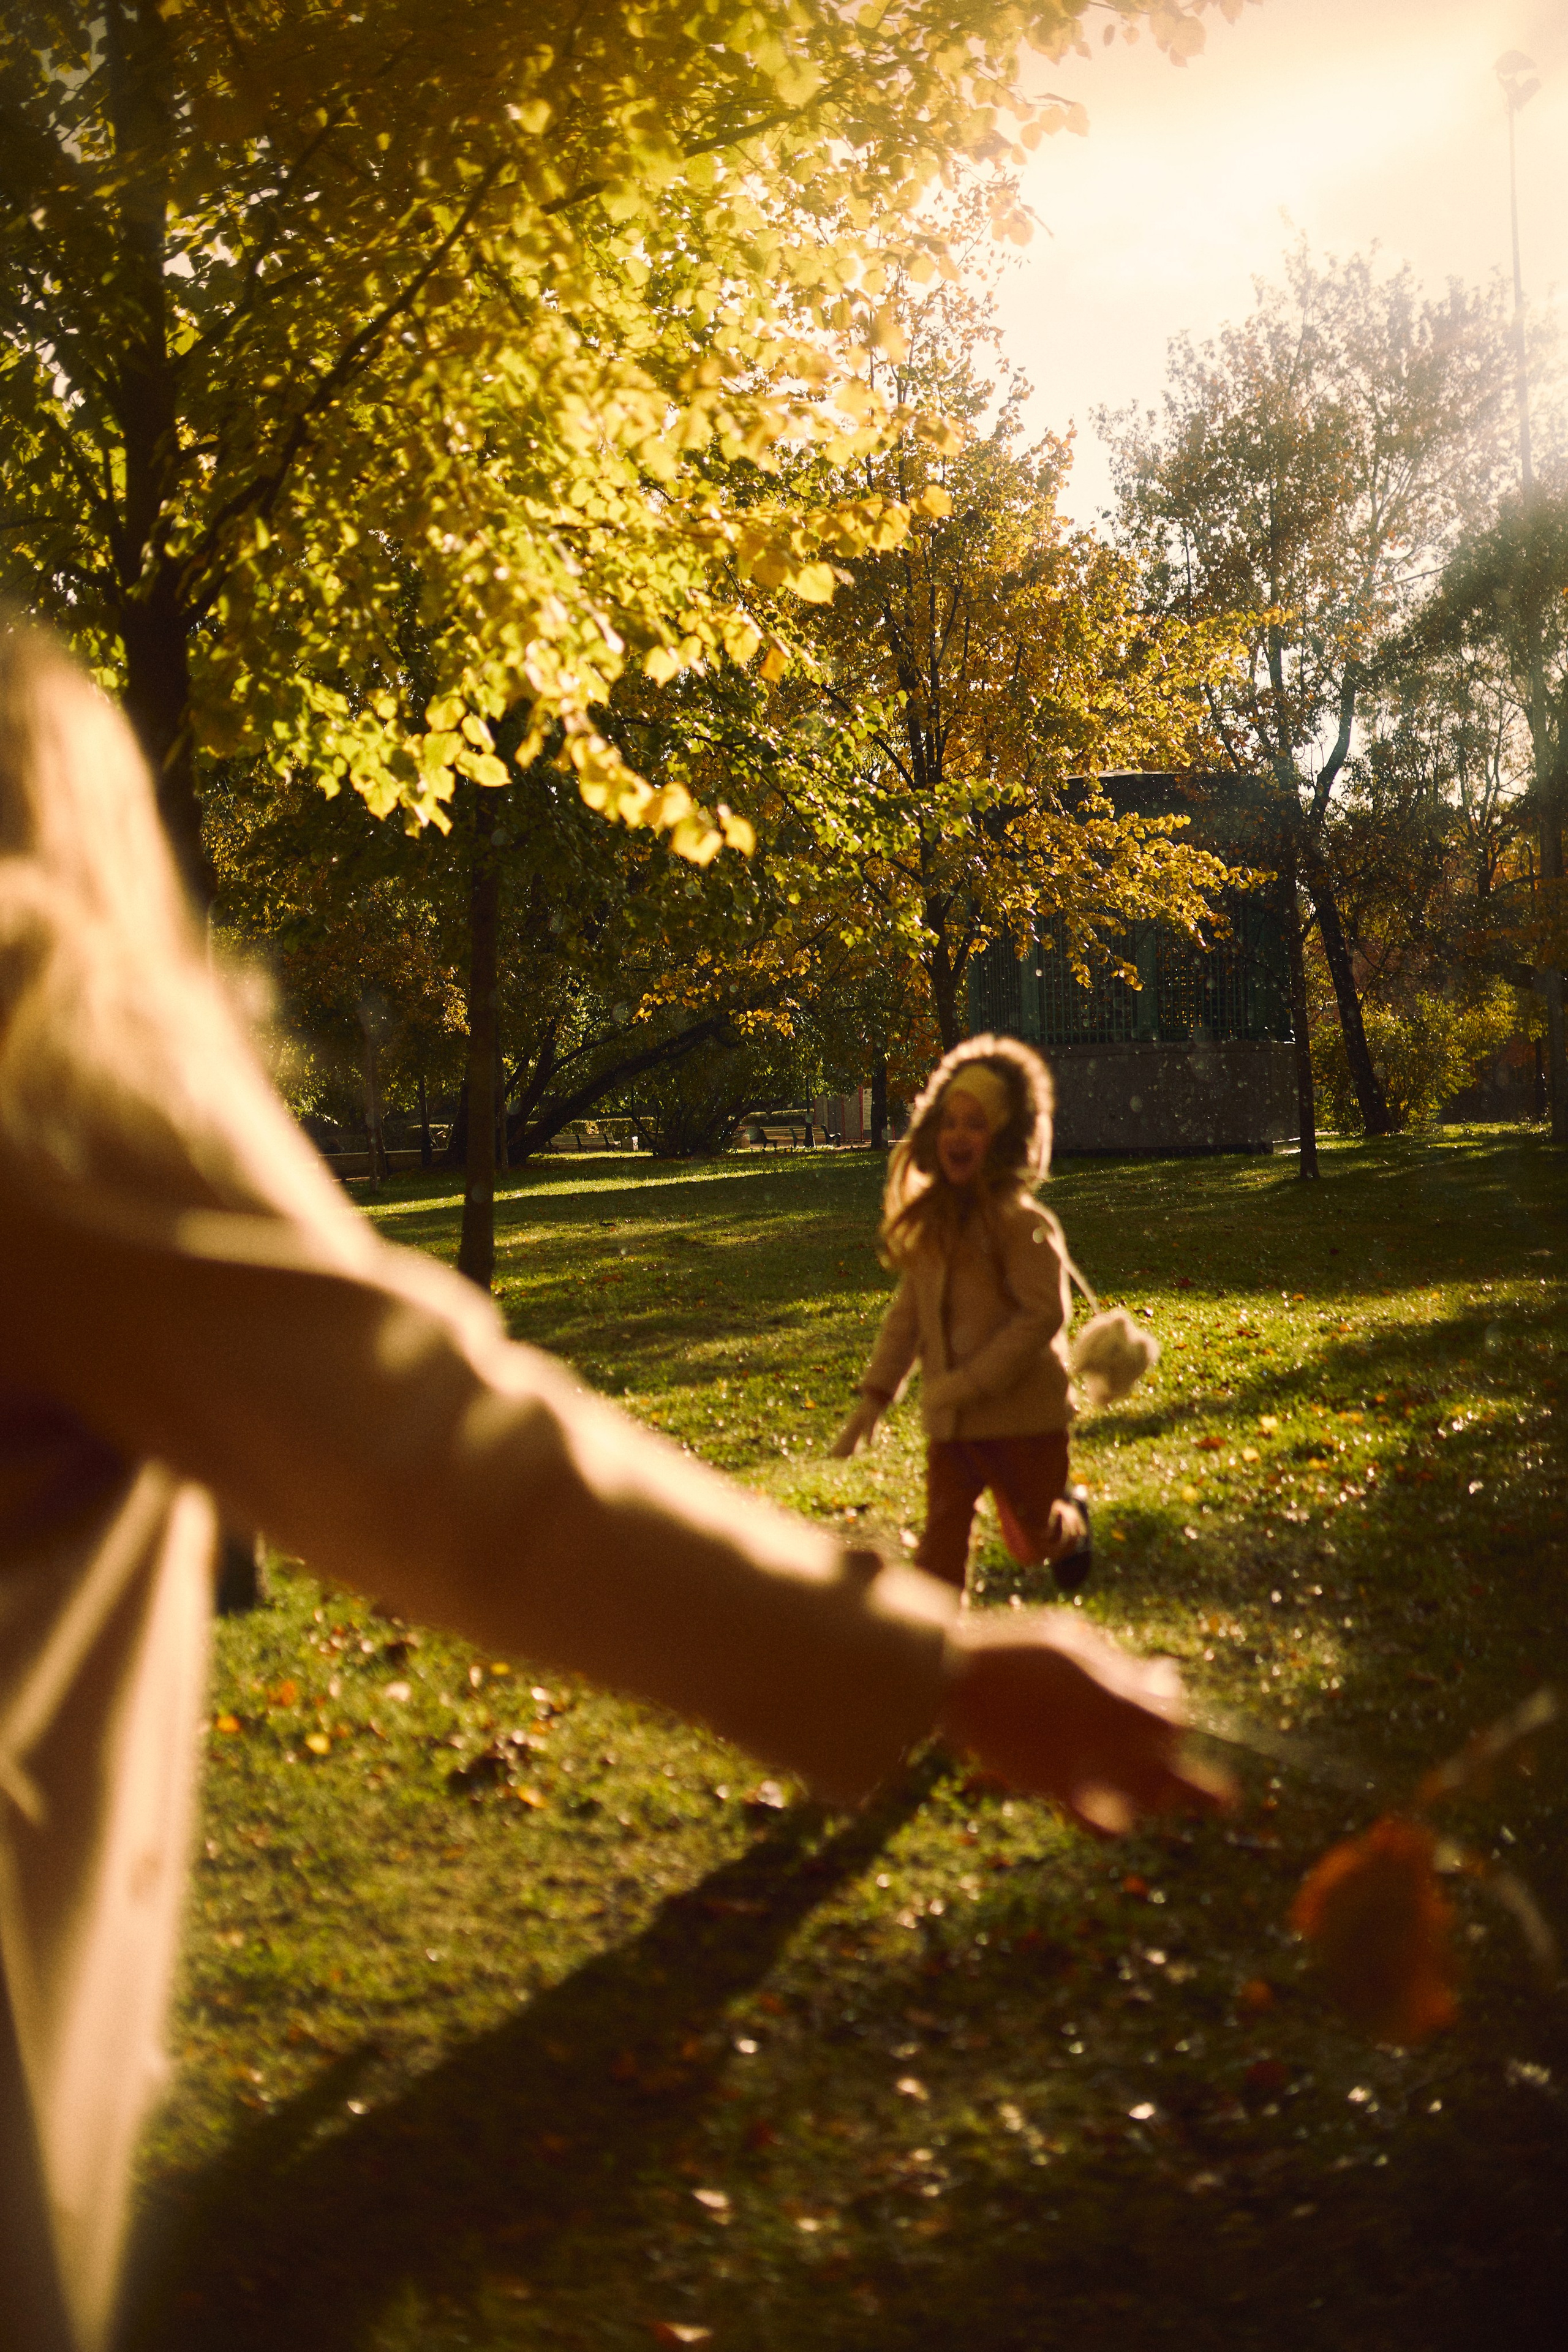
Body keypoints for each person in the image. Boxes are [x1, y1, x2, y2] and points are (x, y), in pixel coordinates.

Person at [0, 623, 1221, 2352]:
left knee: (1013, 1521)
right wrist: (913, 1663)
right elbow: (440, 1455)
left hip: (1005, 1425)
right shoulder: (32, 1017)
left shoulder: (1019, 1226)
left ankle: (1055, 1544)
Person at [831, 1036, 1156, 1597]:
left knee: (1034, 1543)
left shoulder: (1021, 1223)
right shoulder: (936, 1225)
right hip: (953, 1428)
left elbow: (1043, 1315)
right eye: (950, 1122)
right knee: (940, 1546)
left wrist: (968, 1382)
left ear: (1005, 1140)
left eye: (976, 1125)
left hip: (1025, 1421)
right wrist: (875, 1397)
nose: (959, 1135)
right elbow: (907, 1317)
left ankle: (1071, 1523)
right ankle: (934, 1655)